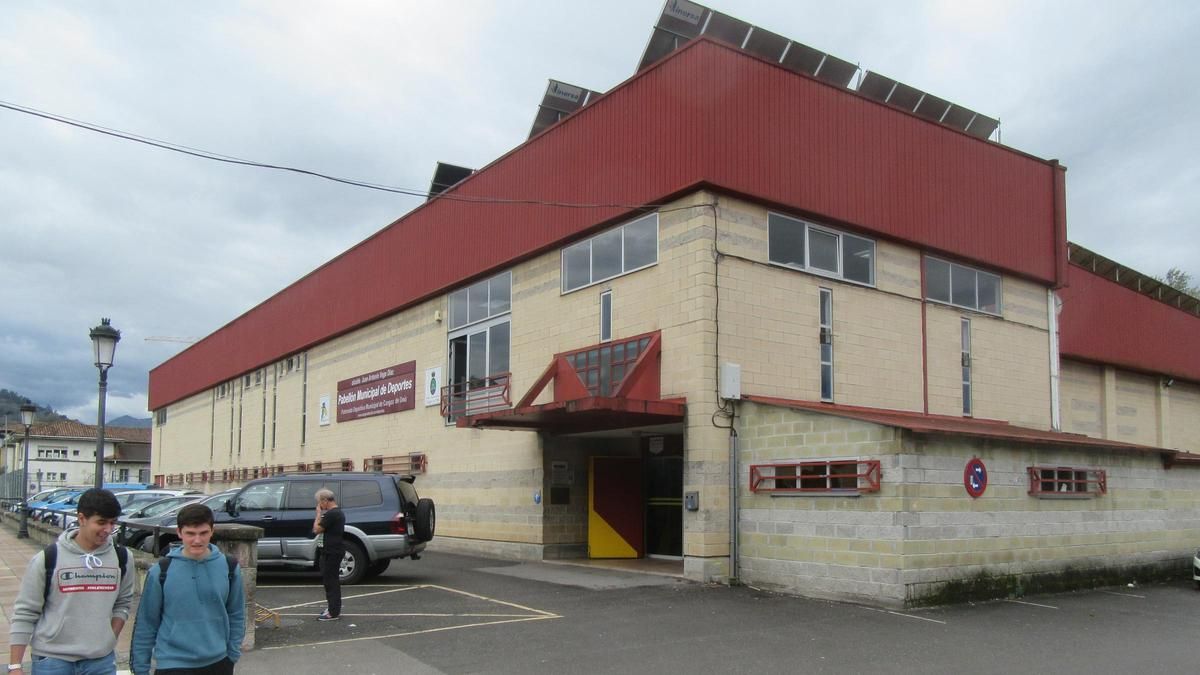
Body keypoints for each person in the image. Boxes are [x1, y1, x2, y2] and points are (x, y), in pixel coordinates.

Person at [8, 487, 134, 674]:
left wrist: (109, 637)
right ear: (82, 519)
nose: (108, 530)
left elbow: (123, 603)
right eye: (101, 522)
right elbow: (26, 612)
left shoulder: (122, 557)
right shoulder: (48, 558)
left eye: (112, 523)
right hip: (52, 660)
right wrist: (15, 665)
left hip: (100, 661)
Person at [130, 504, 245, 675]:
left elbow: (237, 613)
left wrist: (232, 654)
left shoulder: (229, 567)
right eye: (190, 533)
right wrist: (140, 669)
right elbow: (146, 624)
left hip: (219, 662)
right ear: (179, 532)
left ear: (212, 531)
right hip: (172, 664)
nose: (197, 540)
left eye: (203, 533)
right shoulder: (161, 572)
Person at [312, 488, 344, 621]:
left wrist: (318, 514)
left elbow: (316, 529)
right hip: (330, 550)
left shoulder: (332, 514)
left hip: (331, 551)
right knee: (329, 580)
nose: (319, 505)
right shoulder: (336, 513)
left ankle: (333, 611)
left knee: (331, 582)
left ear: (325, 500)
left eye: (320, 502)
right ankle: (332, 607)